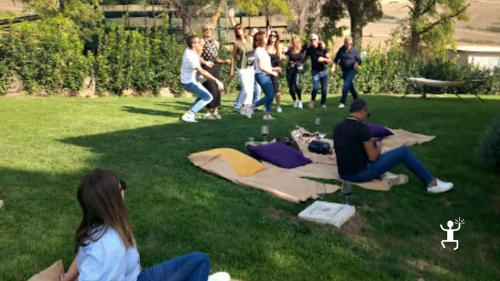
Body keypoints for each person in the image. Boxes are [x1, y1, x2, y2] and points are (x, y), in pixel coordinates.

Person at [60, 168, 230, 281]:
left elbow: (86, 254)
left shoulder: (95, 227)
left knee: (199, 261)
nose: (124, 190)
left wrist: (68, 276)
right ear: (114, 199)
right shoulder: (110, 244)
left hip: (138, 276)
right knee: (200, 261)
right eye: (122, 187)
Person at [333, 99, 454, 193]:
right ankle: (433, 184)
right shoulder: (362, 128)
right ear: (362, 111)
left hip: (343, 173)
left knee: (385, 156)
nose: (366, 117)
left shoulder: (338, 126)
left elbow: (349, 147)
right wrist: (378, 145)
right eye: (367, 114)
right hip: (358, 175)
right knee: (403, 152)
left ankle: (383, 174)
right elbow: (373, 157)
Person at [180, 35, 224, 123]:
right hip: (189, 82)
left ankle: (191, 113)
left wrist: (205, 61)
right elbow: (201, 71)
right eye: (198, 42)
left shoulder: (189, 50)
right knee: (208, 97)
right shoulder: (190, 56)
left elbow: (198, 56)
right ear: (193, 44)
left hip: (189, 80)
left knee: (202, 95)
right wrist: (216, 80)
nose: (201, 43)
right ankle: (190, 114)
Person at [200, 23, 230, 120]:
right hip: (206, 67)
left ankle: (216, 112)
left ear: (213, 31)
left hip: (215, 67)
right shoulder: (201, 42)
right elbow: (197, 57)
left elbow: (216, 59)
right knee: (210, 88)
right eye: (205, 29)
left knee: (218, 88)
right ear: (203, 31)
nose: (208, 30)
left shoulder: (216, 43)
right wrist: (205, 62)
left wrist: (225, 61)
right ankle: (207, 112)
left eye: (210, 29)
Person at [252, 31, 281, 120]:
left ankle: (267, 114)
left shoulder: (262, 50)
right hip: (261, 75)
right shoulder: (259, 50)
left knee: (271, 94)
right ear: (261, 40)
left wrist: (274, 69)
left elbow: (266, 65)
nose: (267, 38)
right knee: (270, 94)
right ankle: (251, 107)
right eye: (265, 37)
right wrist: (272, 73)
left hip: (265, 74)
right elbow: (261, 67)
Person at [230, 23, 255, 118]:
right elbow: (233, 57)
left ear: (243, 29)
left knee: (250, 89)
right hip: (242, 68)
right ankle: (237, 106)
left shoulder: (250, 39)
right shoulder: (236, 43)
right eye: (236, 29)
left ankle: (246, 109)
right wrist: (231, 70)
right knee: (245, 89)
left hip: (251, 67)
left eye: (240, 28)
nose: (238, 30)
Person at [302, 33, 332, 109]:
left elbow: (330, 60)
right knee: (315, 87)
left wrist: (323, 59)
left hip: (324, 71)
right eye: (311, 40)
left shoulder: (322, 48)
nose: (313, 41)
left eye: (314, 39)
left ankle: (323, 103)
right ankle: (312, 101)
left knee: (324, 89)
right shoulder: (309, 49)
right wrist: (301, 64)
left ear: (317, 40)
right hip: (315, 71)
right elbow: (305, 58)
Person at [333, 36, 362, 108]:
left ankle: (342, 102)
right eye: (347, 44)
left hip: (352, 70)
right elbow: (336, 59)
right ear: (344, 43)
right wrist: (333, 66)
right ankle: (357, 99)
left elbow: (359, 60)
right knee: (350, 86)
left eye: (350, 44)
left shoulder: (354, 50)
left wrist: (356, 63)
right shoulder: (341, 49)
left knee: (346, 85)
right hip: (344, 70)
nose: (349, 45)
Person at [266, 30, 284, 113]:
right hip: (266, 70)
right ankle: (268, 106)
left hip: (275, 70)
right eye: (271, 35)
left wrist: (283, 56)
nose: (272, 37)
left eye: (274, 36)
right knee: (267, 89)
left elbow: (280, 58)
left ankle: (278, 105)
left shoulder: (278, 47)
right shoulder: (266, 46)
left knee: (276, 89)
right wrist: (267, 33)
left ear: (277, 38)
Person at [285, 35, 305, 109]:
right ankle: (295, 101)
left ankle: (300, 101)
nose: (294, 43)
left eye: (295, 41)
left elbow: (304, 58)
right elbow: (282, 54)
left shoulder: (302, 49)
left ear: (298, 42)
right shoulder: (289, 50)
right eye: (293, 41)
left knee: (297, 84)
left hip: (298, 69)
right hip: (290, 69)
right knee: (291, 87)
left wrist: (300, 64)